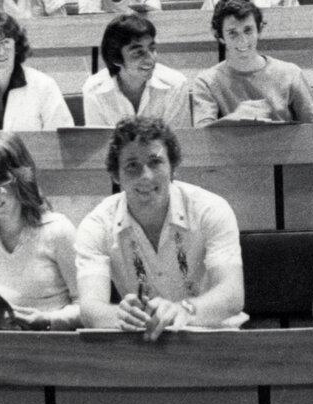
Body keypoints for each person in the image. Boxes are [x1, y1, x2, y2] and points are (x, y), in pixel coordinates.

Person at [75, 118, 246, 334]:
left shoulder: (210, 209)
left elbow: (232, 295)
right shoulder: (96, 225)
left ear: (173, 168)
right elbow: (90, 310)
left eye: (155, 162)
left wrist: (183, 310)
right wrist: (120, 316)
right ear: (116, 175)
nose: (145, 176)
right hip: (142, 341)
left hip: (213, 338)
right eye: (132, 166)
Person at [0, 132, 83, 330]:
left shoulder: (58, 230)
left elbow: (86, 307)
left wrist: (47, 319)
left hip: (47, 340)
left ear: (22, 180)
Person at [191, 0, 313, 125]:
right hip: (232, 140)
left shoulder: (291, 73)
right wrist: (238, 118)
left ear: (259, 30)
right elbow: (202, 134)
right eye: (232, 33)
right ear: (219, 36)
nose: (243, 40)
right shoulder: (206, 82)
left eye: (248, 30)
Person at [0, 12, 73, 131]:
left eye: (6, 42)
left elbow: (63, 138)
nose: (1, 52)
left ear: (16, 47)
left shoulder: (45, 86)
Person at [80, 12, 193, 128]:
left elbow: (177, 138)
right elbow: (100, 139)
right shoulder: (94, 89)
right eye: (138, 53)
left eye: (152, 48)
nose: (151, 58)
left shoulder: (175, 83)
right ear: (115, 58)